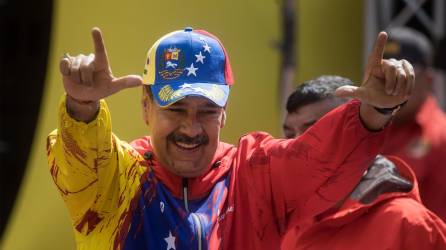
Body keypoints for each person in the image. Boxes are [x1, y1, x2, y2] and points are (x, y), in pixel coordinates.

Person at [47, 27, 414, 249]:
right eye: (176, 109)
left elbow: (317, 160)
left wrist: (372, 113)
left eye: (206, 111)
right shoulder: (113, 178)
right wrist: (82, 107)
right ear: (145, 107)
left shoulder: (255, 173)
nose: (191, 127)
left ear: (224, 112)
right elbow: (79, 160)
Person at [281, 76, 446, 250]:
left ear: (358, 137)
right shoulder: (283, 221)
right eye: (290, 134)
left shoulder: (407, 224)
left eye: (313, 133)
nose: (296, 146)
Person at [381, 27, 446, 221]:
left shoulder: (441, 136)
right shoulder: (364, 129)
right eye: (384, 74)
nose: (391, 83)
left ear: (428, 79)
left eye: (403, 75)